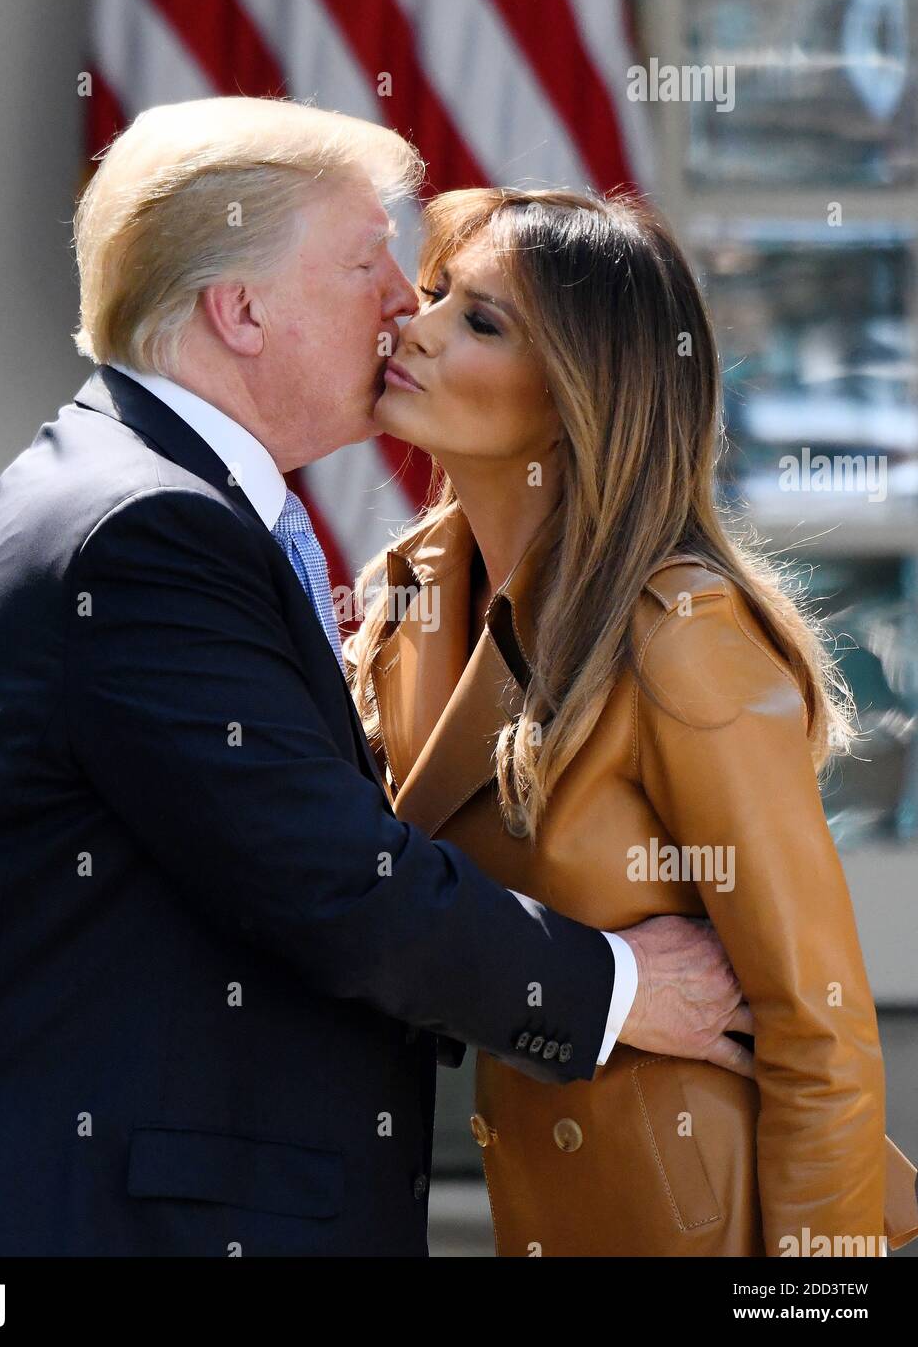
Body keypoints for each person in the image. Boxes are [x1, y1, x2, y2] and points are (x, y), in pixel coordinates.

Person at [0, 101, 746, 1257]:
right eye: (364, 261)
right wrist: (619, 988)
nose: (399, 302)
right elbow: (331, 882)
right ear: (240, 310)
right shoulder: (145, 527)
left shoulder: (155, 493)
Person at [348, 185, 916, 1256]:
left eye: (476, 320)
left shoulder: (677, 635)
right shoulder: (407, 596)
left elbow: (821, 1029)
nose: (409, 330)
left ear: (575, 394)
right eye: (431, 295)